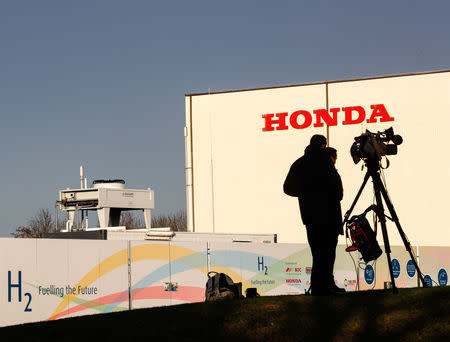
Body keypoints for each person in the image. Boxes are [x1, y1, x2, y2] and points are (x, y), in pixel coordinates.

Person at [283, 135, 345, 295]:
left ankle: (318, 288)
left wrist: (306, 193)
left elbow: (288, 188)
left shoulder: (300, 163)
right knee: (328, 254)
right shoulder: (326, 163)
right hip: (329, 215)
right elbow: (338, 191)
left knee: (317, 254)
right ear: (324, 146)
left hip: (310, 216)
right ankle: (326, 287)